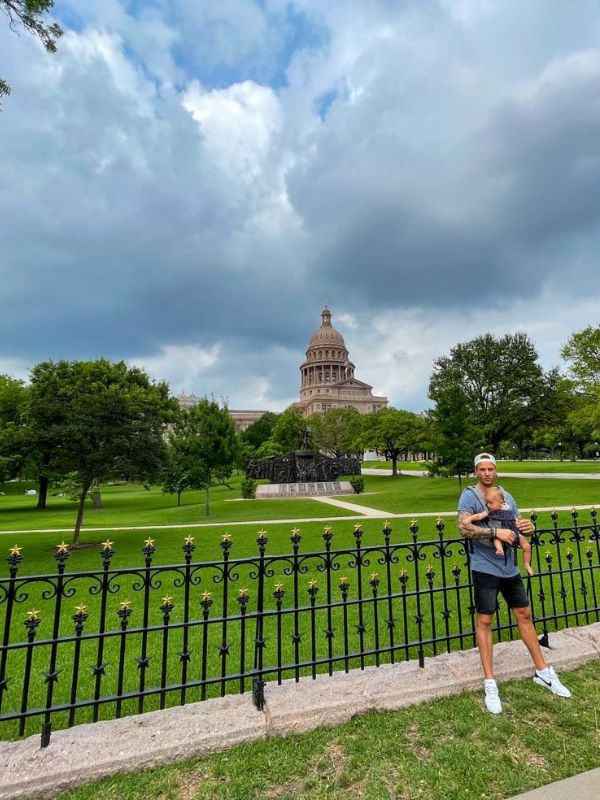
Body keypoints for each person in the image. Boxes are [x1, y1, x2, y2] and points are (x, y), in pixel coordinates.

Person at [458, 452, 572, 714]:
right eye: (482, 469)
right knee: (485, 620)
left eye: (491, 469)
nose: (487, 473)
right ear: (476, 471)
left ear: (495, 471)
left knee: (524, 613)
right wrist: (495, 532)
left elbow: (517, 525)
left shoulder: (506, 496)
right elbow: (463, 528)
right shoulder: (469, 496)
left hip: (509, 566)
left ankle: (543, 671)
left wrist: (526, 527)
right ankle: (490, 682)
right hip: (485, 566)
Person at [463, 486, 534, 576]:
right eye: (487, 503)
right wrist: (469, 519)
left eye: (491, 503)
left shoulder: (507, 508)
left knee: (527, 546)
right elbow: (478, 516)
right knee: (496, 538)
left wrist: (519, 524)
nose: (488, 505)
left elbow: (516, 517)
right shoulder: (488, 512)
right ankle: (499, 549)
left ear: (501, 502)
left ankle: (526, 564)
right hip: (500, 533)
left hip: (514, 532)